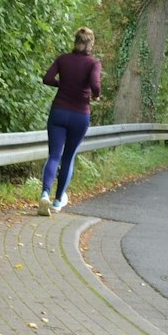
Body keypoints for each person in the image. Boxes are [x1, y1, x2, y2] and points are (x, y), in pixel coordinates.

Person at [39, 27, 102, 215]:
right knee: (68, 157)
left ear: (75, 41)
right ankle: (58, 201)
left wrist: (63, 84)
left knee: (54, 156)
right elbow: (95, 84)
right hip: (80, 115)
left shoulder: (63, 59)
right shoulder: (93, 63)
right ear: (91, 44)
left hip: (58, 112)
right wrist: (95, 95)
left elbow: (47, 78)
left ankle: (44, 193)